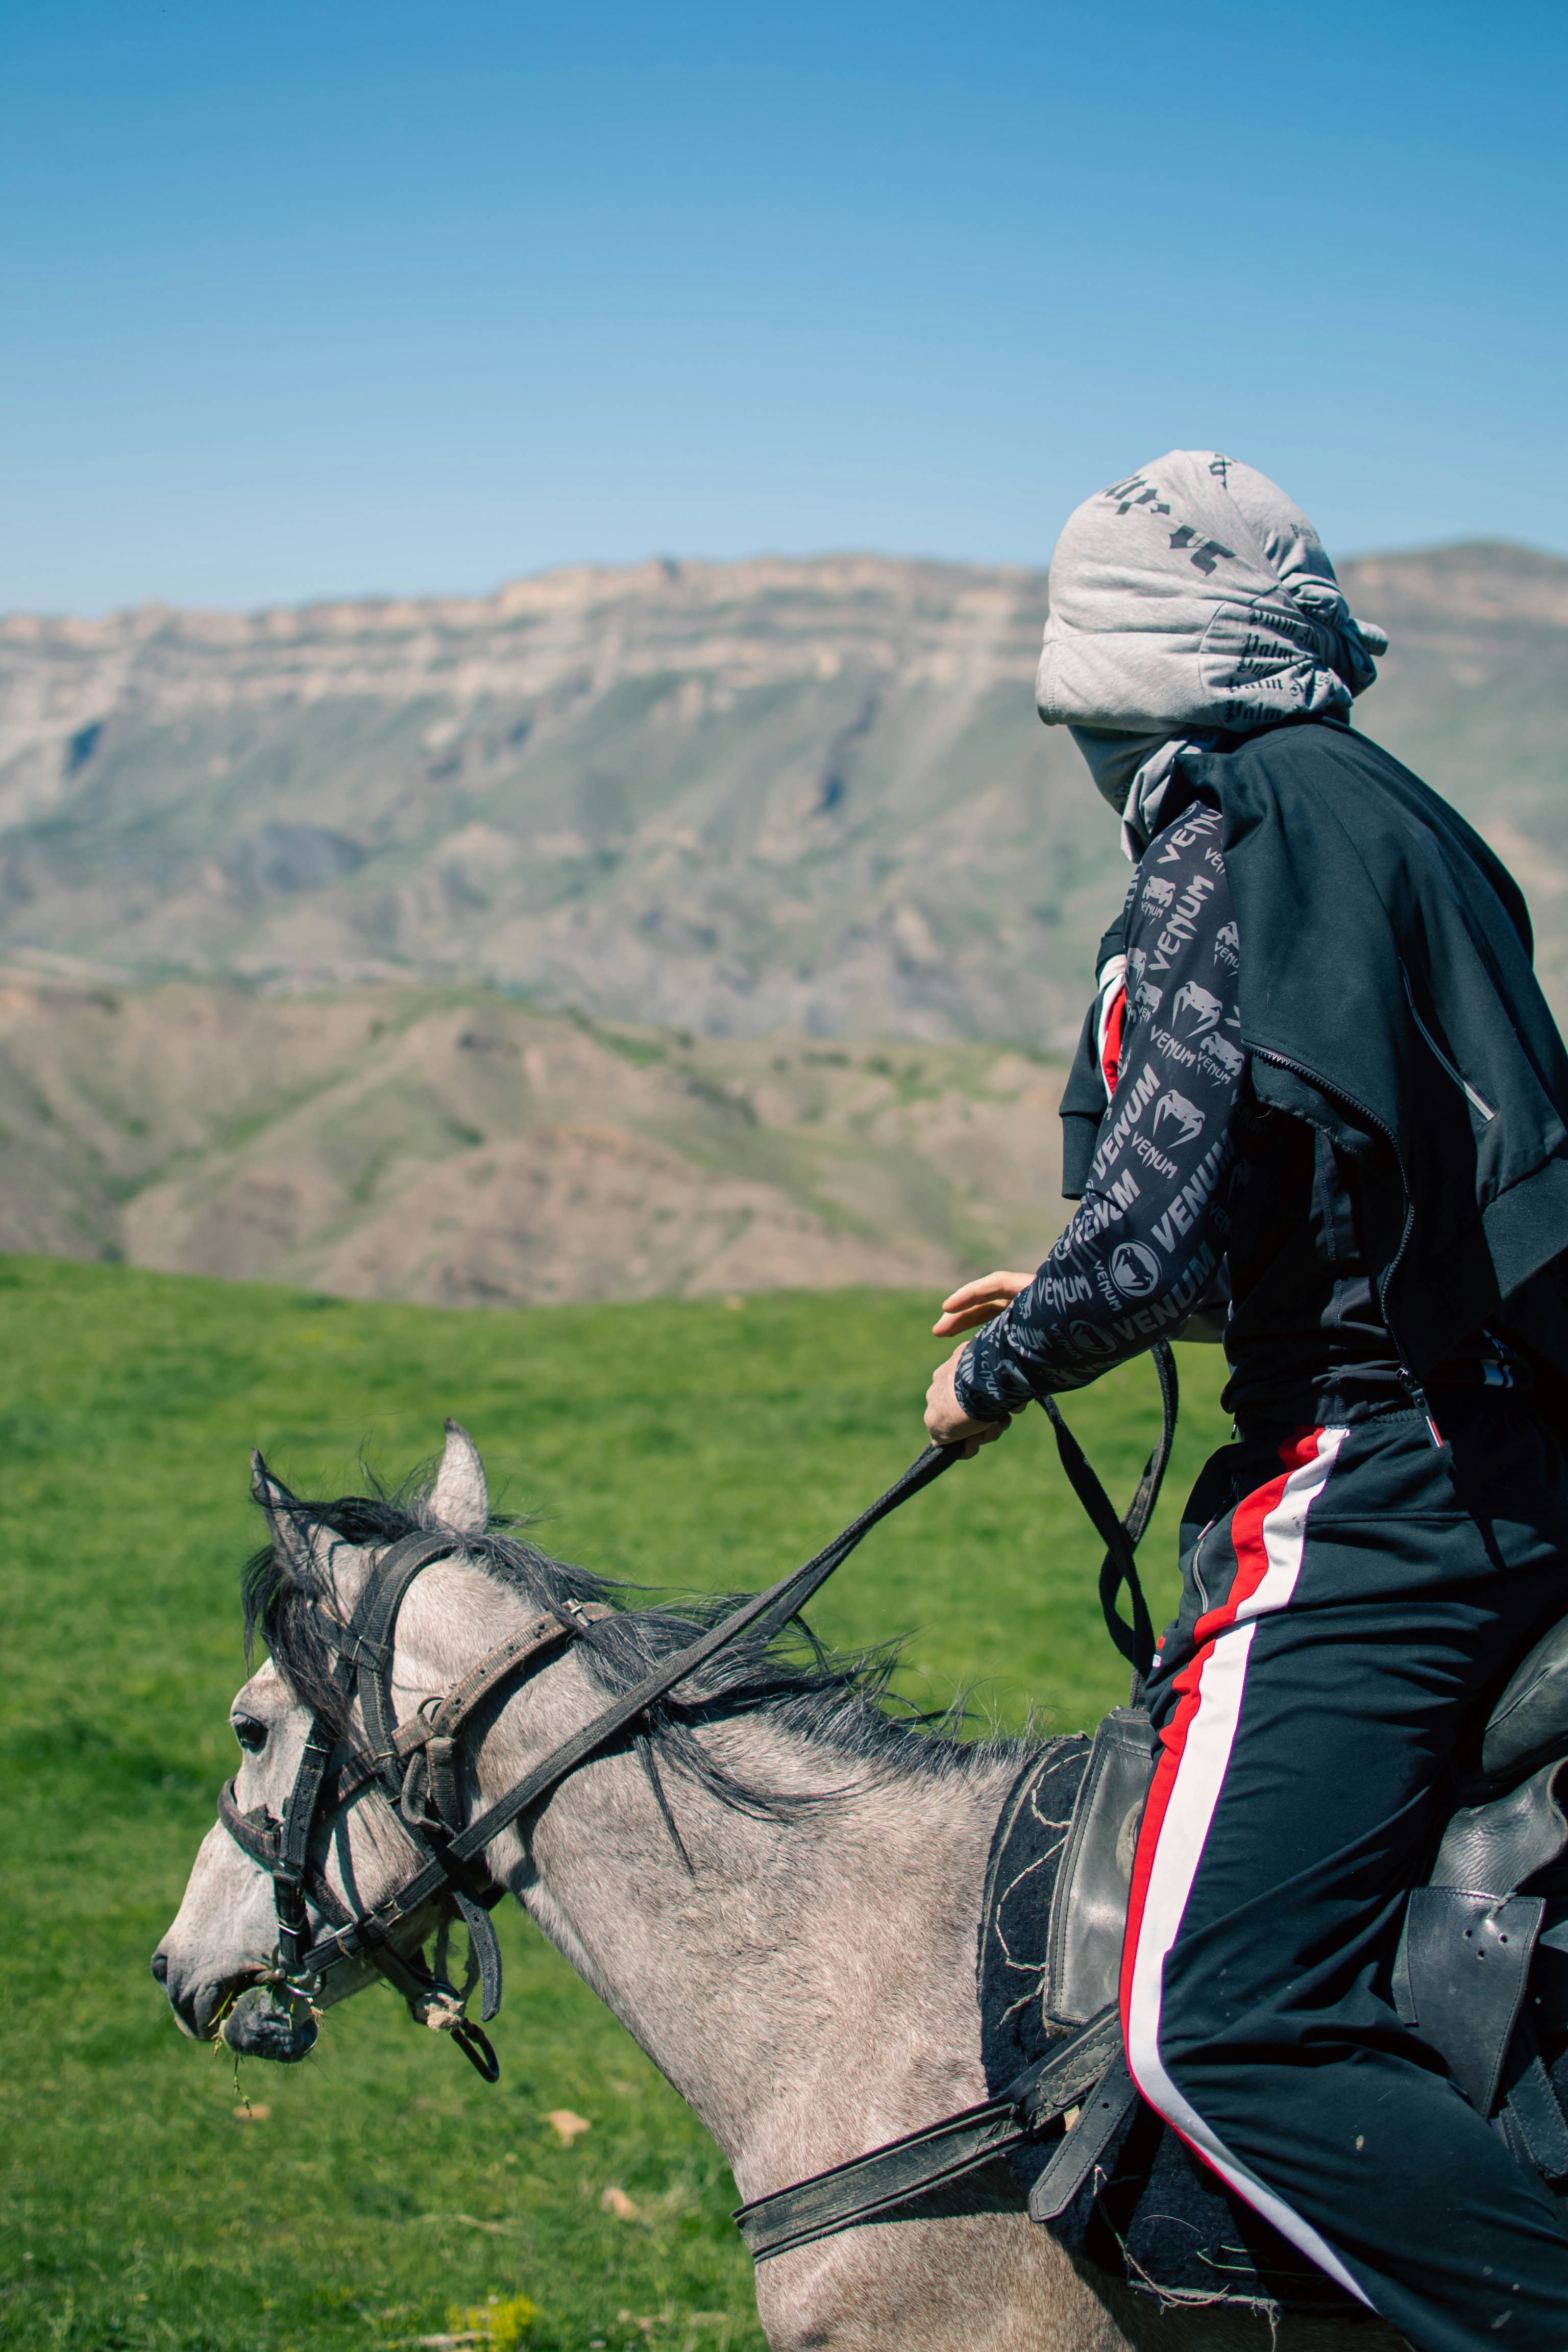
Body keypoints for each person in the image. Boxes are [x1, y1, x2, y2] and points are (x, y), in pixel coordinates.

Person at [923, 451, 1568, 2349]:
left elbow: (1149, 1242)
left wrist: (997, 1369)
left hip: (1381, 1481)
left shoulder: (1232, 826)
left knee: (1216, 2017)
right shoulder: (1393, 813)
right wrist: (1072, 1282)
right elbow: (1326, 1189)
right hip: (1501, 1441)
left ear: (1123, 686)